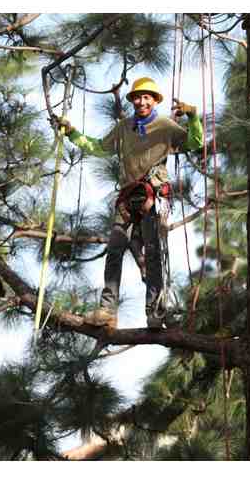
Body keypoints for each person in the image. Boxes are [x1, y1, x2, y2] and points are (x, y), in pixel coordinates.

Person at [54, 77, 203, 330]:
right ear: (132, 100)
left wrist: (193, 116)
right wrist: (72, 133)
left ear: (154, 101)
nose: (141, 101)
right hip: (128, 196)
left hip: (155, 195)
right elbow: (99, 147)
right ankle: (107, 310)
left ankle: (155, 311)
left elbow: (194, 143)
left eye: (147, 97)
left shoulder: (165, 126)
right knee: (114, 249)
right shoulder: (124, 127)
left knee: (154, 253)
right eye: (137, 97)